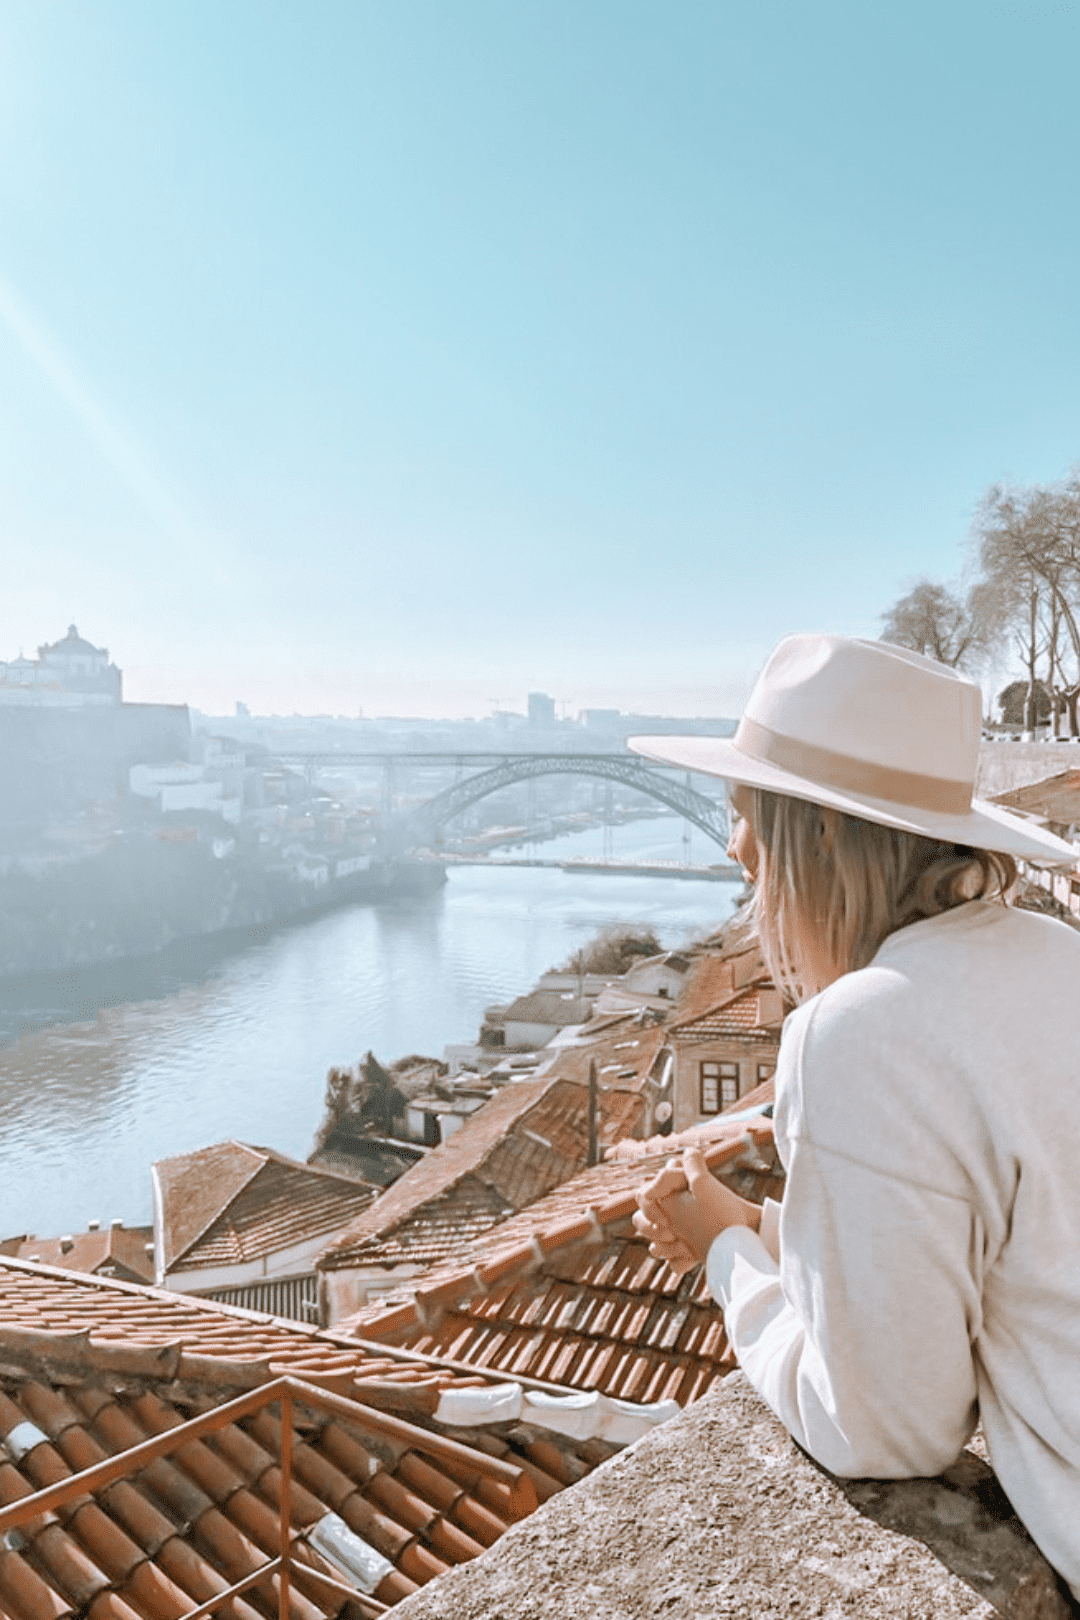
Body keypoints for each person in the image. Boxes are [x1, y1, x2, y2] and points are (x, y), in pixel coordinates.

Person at [628, 634, 1080, 1598]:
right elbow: (1018, 1255)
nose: (731, 847)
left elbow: (884, 1429)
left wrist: (725, 1259)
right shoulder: (1053, 956)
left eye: (744, 816)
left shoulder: (864, 1030)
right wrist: (764, 1224)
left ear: (820, 837)